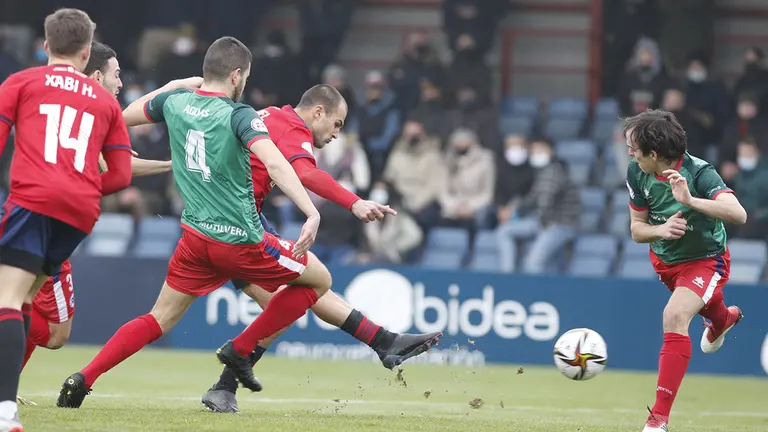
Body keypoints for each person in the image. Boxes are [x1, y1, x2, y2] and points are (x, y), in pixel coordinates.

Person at [55, 36, 326, 409]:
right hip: (241, 239)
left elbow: (123, 115)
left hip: (195, 237)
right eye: (244, 76)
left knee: (158, 319)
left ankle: (83, 378)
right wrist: (311, 212)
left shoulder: (175, 103)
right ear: (236, 75)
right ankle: (240, 349)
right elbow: (277, 163)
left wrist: (171, 87)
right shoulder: (239, 115)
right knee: (320, 281)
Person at [201, 85, 441, 413]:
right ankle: (382, 341)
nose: (337, 133)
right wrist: (354, 202)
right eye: (337, 123)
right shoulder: (291, 128)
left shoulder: (271, 115)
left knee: (285, 301)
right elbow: (305, 173)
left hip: (226, 218)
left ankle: (384, 342)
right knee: (305, 288)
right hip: (236, 227)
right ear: (318, 112)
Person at [18, 42, 187, 406]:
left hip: (25, 213)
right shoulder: (94, 108)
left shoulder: (61, 99)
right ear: (96, 76)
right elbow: (115, 167)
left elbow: (109, 162)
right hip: (53, 224)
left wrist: (166, 164)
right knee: (53, 332)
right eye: (117, 74)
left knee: (27, 304)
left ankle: (5, 392)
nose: (121, 82)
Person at [0, 9, 134, 431]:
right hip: (79, 213)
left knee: (6, 298)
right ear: (85, 52)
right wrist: (85, 189)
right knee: (23, 300)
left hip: (32, 199)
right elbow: (122, 174)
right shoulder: (104, 102)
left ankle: (5, 413)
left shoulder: (21, 82)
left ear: (45, 46)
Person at [623, 109, 747, 432]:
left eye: (634, 150)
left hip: (707, 259)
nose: (630, 156)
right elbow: (637, 229)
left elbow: (738, 214)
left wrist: (690, 200)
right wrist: (661, 230)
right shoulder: (637, 173)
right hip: (667, 262)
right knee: (698, 304)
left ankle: (657, 420)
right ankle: (722, 318)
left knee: (675, 315)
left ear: (654, 154)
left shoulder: (699, 172)